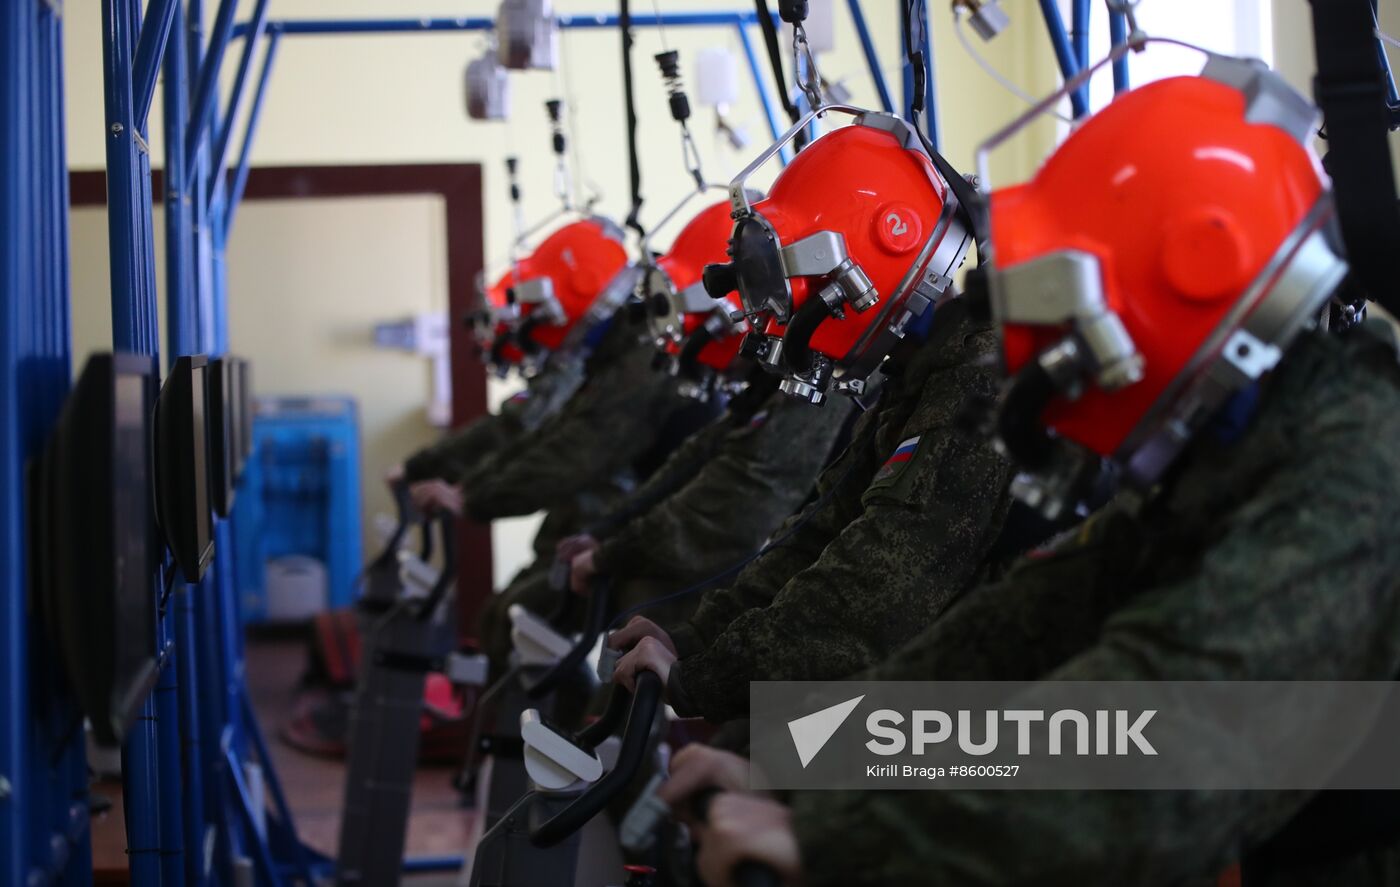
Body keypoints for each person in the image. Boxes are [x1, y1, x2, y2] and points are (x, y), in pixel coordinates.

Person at [673, 58, 1400, 886]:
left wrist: (844, 836)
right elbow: (1019, 629)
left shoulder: (1357, 457)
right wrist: (788, 761)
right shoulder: (1243, 442)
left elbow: (1157, 724)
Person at [608, 108, 1034, 724]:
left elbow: (880, 585)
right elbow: (825, 530)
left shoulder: (981, 375)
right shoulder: (919, 368)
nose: (784, 314)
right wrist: (696, 642)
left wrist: (705, 678)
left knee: (769, 770)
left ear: (885, 244)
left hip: (1055, 725)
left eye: (790, 280)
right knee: (751, 759)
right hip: (972, 685)